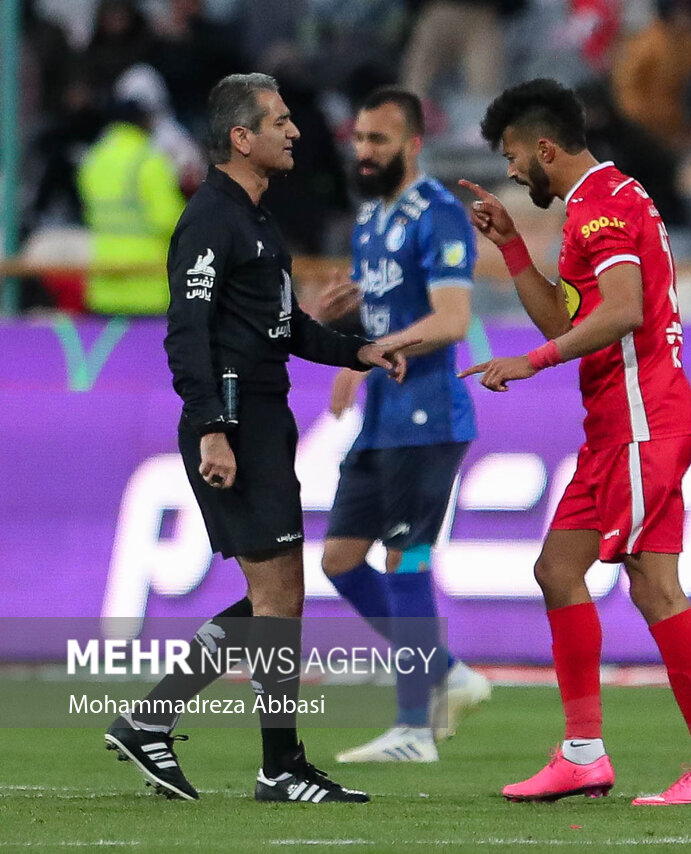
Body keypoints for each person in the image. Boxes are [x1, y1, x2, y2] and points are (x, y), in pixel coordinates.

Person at [103, 72, 413, 804]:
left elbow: (284, 328)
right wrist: (213, 426)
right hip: (236, 425)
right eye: (278, 121)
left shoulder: (259, 222)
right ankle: (278, 766)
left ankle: (152, 718)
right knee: (278, 599)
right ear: (241, 138)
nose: (295, 130)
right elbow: (188, 333)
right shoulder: (211, 219)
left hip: (263, 422)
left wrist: (357, 351)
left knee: (278, 596)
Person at [458, 78, 691, 805]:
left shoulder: (602, 209)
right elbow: (569, 322)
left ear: (544, 148)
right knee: (559, 570)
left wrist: (530, 364)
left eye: (514, 158)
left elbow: (622, 311)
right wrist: (516, 251)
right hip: (616, 427)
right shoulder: (602, 201)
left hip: (643, 421)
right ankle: (583, 753)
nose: (513, 172)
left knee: (654, 586)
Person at [319, 86, 491, 764]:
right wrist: (347, 341)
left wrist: (372, 352)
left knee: (404, 558)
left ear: (413, 144)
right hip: (383, 416)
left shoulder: (440, 216)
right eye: (359, 139)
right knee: (339, 560)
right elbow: (386, 316)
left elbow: (450, 321)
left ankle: (414, 729)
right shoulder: (370, 222)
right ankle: (447, 671)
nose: (364, 151)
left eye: (379, 140)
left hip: (429, 416)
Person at [76, 93, 185, 314]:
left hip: (104, 283)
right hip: (147, 285)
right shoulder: (149, 161)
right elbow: (168, 219)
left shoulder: (94, 159)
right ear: (141, 121)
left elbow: (87, 213)